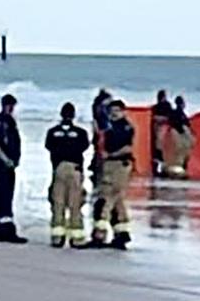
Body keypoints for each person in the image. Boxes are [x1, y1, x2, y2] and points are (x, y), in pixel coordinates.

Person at [45, 103, 90, 248]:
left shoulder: (53, 132)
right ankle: (77, 238)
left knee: (58, 203)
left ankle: (57, 237)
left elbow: (49, 146)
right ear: (73, 115)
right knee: (75, 204)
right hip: (75, 169)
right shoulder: (81, 132)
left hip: (58, 168)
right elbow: (84, 147)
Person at [91, 99, 134, 250]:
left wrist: (109, 155)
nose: (114, 114)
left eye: (117, 111)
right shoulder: (111, 127)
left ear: (123, 111)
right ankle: (121, 234)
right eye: (112, 111)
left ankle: (99, 235)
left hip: (118, 165)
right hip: (111, 165)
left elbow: (128, 148)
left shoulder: (125, 127)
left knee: (106, 199)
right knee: (118, 201)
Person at [0, 94, 27, 244]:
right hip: (2, 165)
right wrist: (7, 160)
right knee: (5, 195)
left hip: (2, 165)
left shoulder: (4, 121)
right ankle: (6, 229)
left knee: (2, 195)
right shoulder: (1, 123)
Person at [164, 96, 195, 178]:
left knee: (181, 153)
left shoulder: (178, 113)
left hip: (180, 135)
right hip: (180, 135)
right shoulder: (179, 114)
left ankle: (180, 168)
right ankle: (179, 169)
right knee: (181, 153)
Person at [151, 90, 173, 176]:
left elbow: (169, 117)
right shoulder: (158, 107)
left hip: (162, 128)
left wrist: (160, 119)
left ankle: (161, 165)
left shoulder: (164, 106)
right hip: (160, 128)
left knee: (160, 146)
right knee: (159, 146)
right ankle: (160, 165)